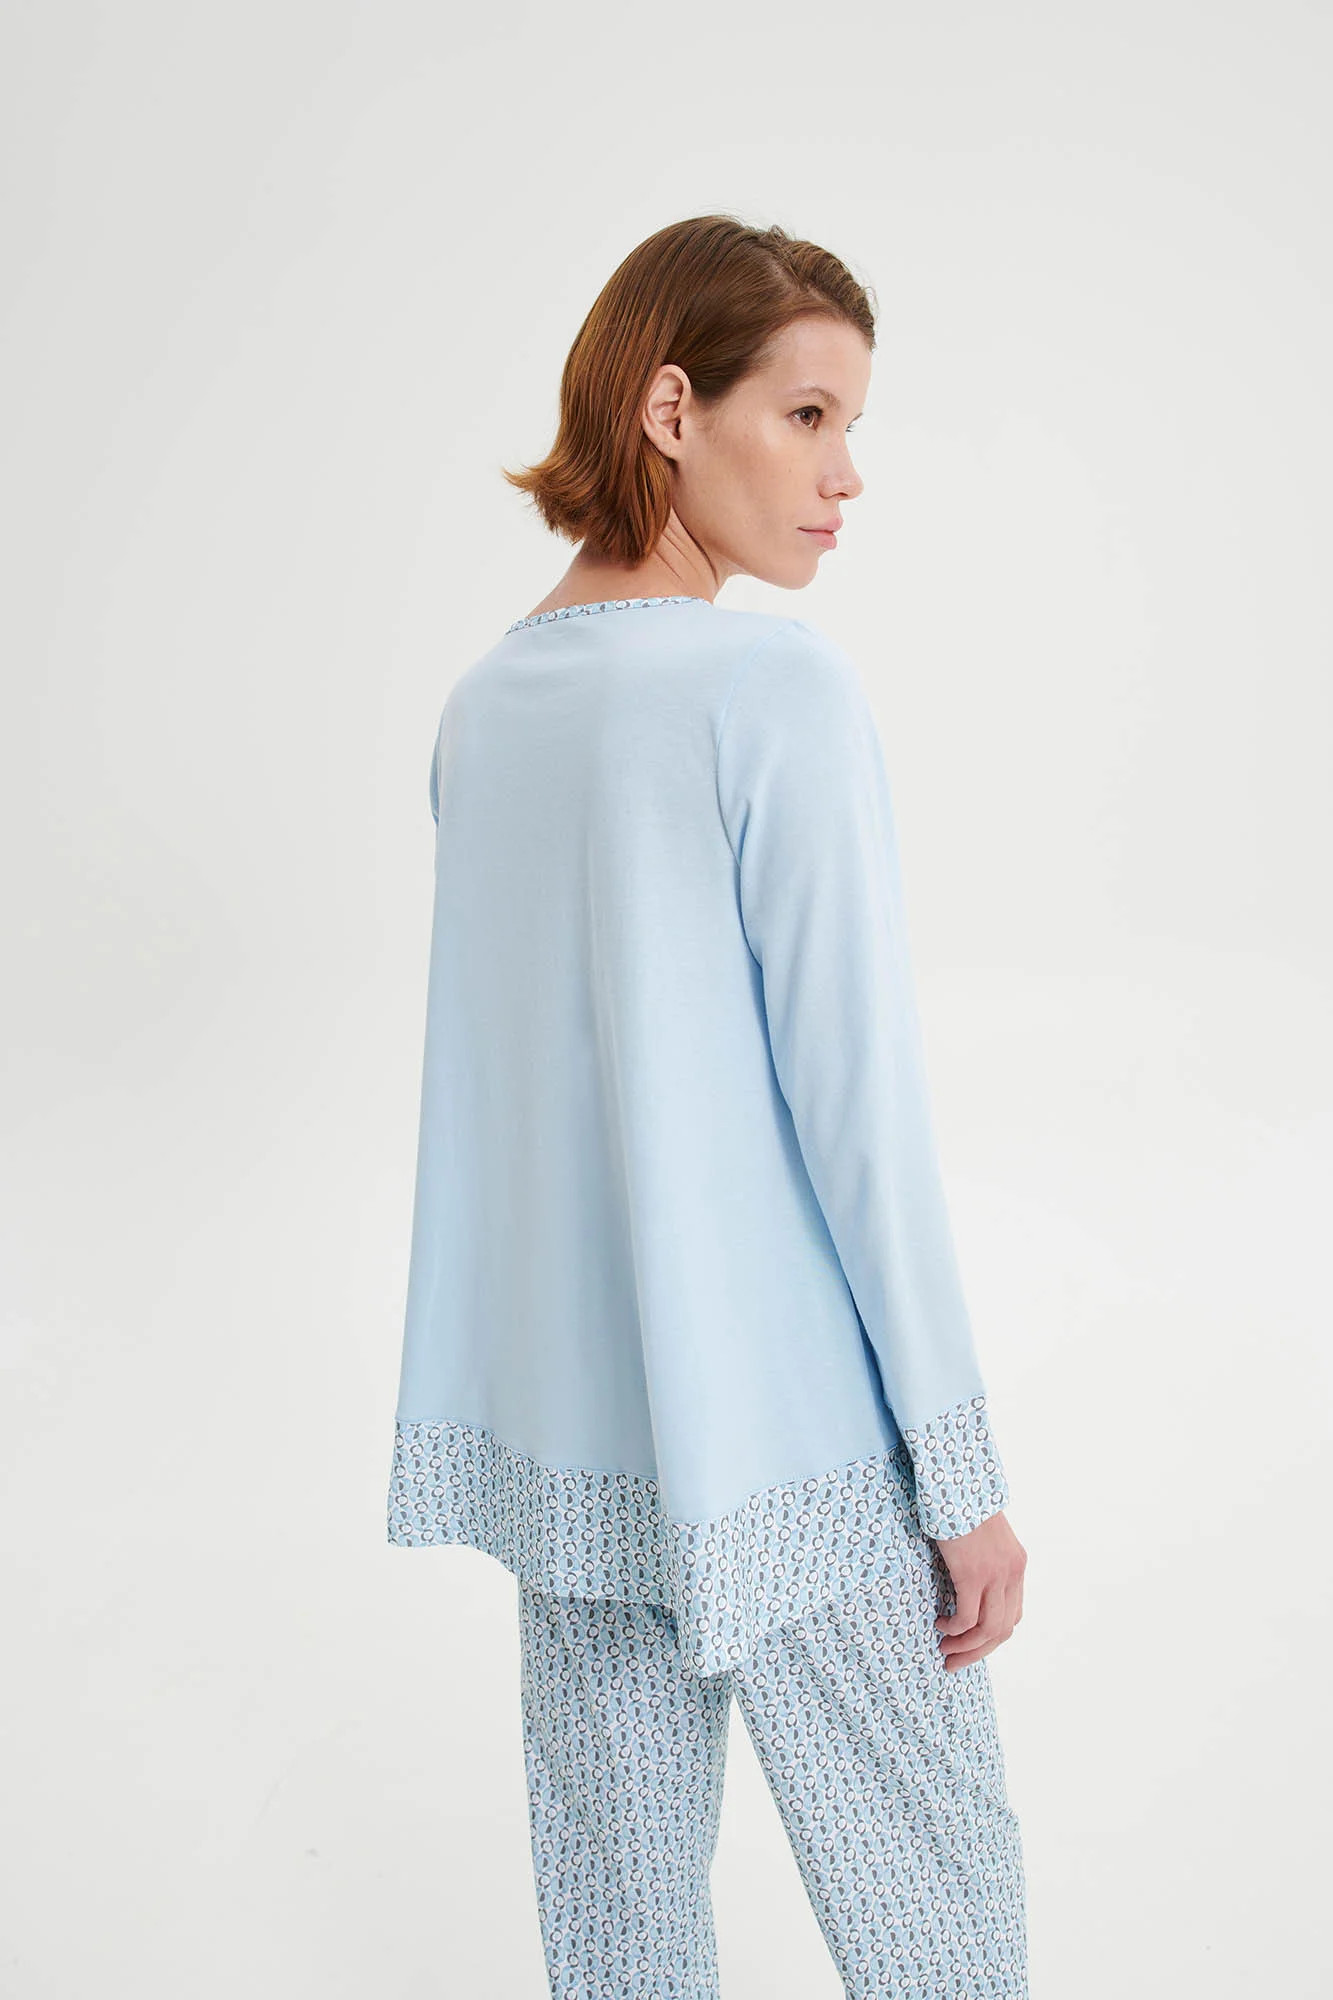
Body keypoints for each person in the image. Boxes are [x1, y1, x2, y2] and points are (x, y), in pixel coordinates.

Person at [387, 213, 1029, 1998]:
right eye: (806, 417)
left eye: (851, 427)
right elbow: (855, 1114)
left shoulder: (483, 708)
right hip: (795, 1439)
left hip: (579, 1446)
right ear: (671, 411)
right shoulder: (771, 687)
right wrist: (960, 1478)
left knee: (621, 1941)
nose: (844, 476)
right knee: (941, 1921)